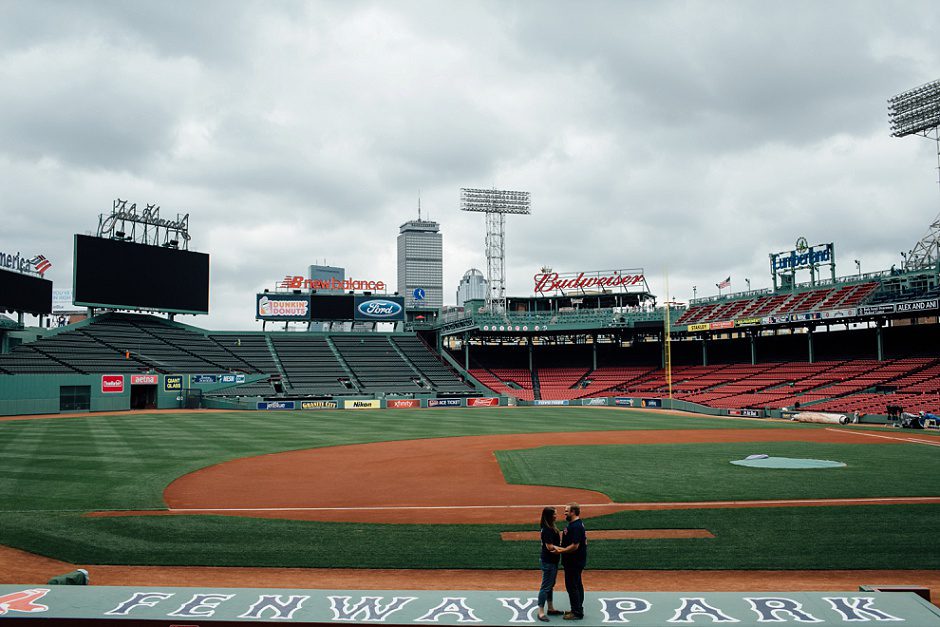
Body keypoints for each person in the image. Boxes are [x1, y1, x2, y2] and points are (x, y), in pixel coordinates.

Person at [554, 503, 587, 620]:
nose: (565, 513)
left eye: (567, 511)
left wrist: (561, 550)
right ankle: (577, 608)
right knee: (577, 585)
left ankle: (577, 612)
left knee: (572, 586)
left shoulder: (576, 526)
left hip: (574, 562)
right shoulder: (574, 524)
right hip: (574, 561)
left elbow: (575, 546)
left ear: (573, 512)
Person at [536, 507, 562, 621]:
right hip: (548, 561)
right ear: (550, 516)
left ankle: (550, 608)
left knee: (550, 585)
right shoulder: (547, 530)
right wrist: (564, 549)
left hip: (552, 561)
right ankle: (540, 612)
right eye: (555, 514)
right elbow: (550, 547)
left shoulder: (550, 528)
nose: (556, 515)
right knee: (546, 587)